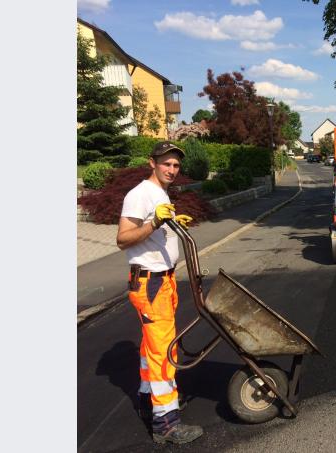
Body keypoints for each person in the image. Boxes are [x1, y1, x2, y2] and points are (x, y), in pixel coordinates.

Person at [116, 141, 203, 444]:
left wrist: (170, 223)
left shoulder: (159, 193)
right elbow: (123, 238)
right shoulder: (139, 194)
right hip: (150, 283)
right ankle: (166, 423)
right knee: (164, 352)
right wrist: (155, 221)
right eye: (166, 163)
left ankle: (146, 399)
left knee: (150, 349)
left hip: (162, 281)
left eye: (176, 165)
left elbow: (154, 234)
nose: (172, 169)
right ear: (151, 163)